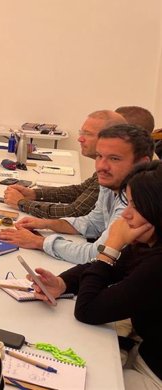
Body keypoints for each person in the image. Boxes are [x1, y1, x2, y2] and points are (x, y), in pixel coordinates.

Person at [30, 161, 162, 389]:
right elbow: (113, 268)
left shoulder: (157, 265)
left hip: (154, 372)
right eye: (127, 203)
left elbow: (88, 310)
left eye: (136, 207)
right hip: (146, 350)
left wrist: (111, 247)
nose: (126, 216)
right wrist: (62, 283)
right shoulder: (149, 243)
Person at [0, 124, 153, 264]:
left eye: (114, 158)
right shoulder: (111, 183)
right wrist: (46, 223)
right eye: (99, 156)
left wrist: (39, 242)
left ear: (142, 163)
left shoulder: (137, 204)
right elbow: (93, 223)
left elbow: (96, 254)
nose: (101, 166)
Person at [3, 110, 125, 218]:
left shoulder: (111, 172)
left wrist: (22, 203)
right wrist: (34, 194)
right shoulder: (104, 165)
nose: (80, 139)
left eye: (88, 134)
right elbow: (79, 191)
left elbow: (75, 211)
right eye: (81, 133)